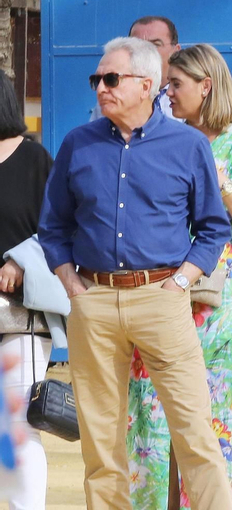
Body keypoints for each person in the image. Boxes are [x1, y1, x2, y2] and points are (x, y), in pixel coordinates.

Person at [39, 37, 232, 510]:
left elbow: (212, 227)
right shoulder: (77, 144)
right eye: (97, 80)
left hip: (162, 298)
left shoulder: (187, 145)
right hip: (94, 300)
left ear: (147, 85)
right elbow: (53, 225)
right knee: (101, 442)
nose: (100, 88)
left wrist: (181, 282)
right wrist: (70, 283)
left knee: (194, 433)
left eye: (111, 79)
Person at [125, 44, 232, 508]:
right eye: (167, 84)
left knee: (215, 428)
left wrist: (221, 182)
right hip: (161, 296)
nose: (168, 93)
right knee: (147, 420)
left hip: (222, 309)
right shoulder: (162, 138)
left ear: (205, 87)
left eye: (176, 84)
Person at [0, 74, 55, 510]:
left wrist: (20, 260)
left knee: (16, 429)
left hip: (17, 318)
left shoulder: (36, 160)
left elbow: (58, 231)